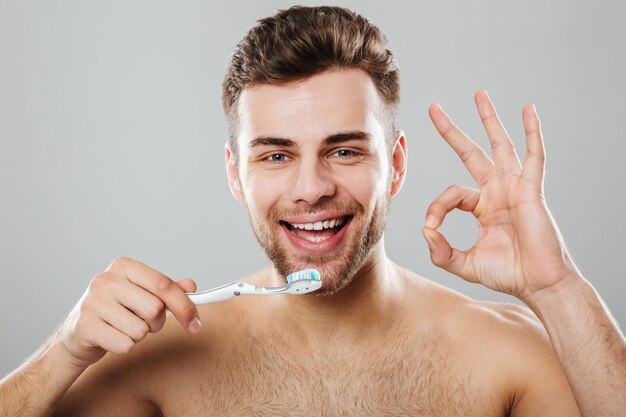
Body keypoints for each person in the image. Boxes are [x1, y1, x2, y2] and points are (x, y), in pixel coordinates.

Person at [1, 5, 624, 416]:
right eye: (275, 156)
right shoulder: (154, 366)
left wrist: (557, 287)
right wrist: (66, 350)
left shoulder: (508, 359)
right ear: (233, 173)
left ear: (397, 164)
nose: (310, 188)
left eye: (345, 150)